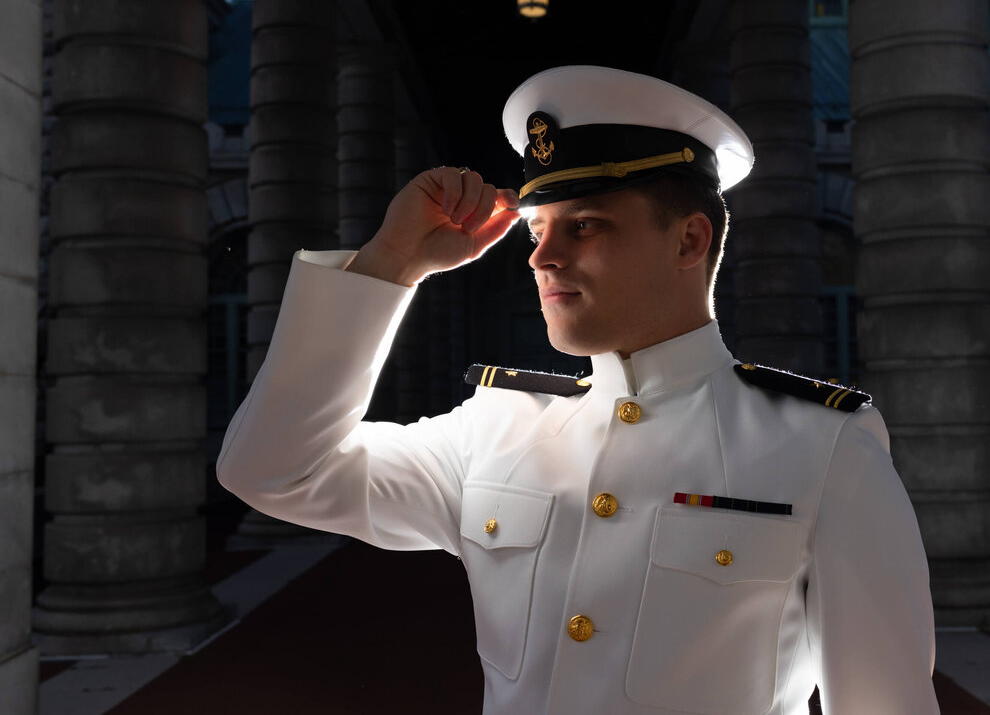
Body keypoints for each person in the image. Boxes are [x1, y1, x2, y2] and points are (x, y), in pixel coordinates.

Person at [217, 66, 939, 714]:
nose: (542, 256)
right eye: (536, 227)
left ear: (689, 241)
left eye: (584, 225)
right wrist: (391, 264)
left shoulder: (825, 447)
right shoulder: (495, 428)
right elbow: (275, 468)